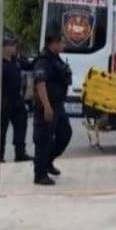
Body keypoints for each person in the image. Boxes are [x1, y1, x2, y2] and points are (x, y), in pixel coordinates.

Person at [31, 31, 73, 186]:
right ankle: (40, 174)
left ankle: (48, 161)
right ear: (53, 43)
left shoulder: (56, 59)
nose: (64, 45)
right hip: (46, 105)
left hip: (58, 105)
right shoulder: (43, 60)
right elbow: (40, 83)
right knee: (44, 139)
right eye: (61, 42)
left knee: (65, 133)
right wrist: (47, 107)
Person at [0, 37, 31, 163]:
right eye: (12, 45)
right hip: (4, 99)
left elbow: (29, 66)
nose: (14, 48)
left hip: (17, 99)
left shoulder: (16, 61)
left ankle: (20, 153)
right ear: (5, 47)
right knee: (2, 130)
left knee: (21, 125)